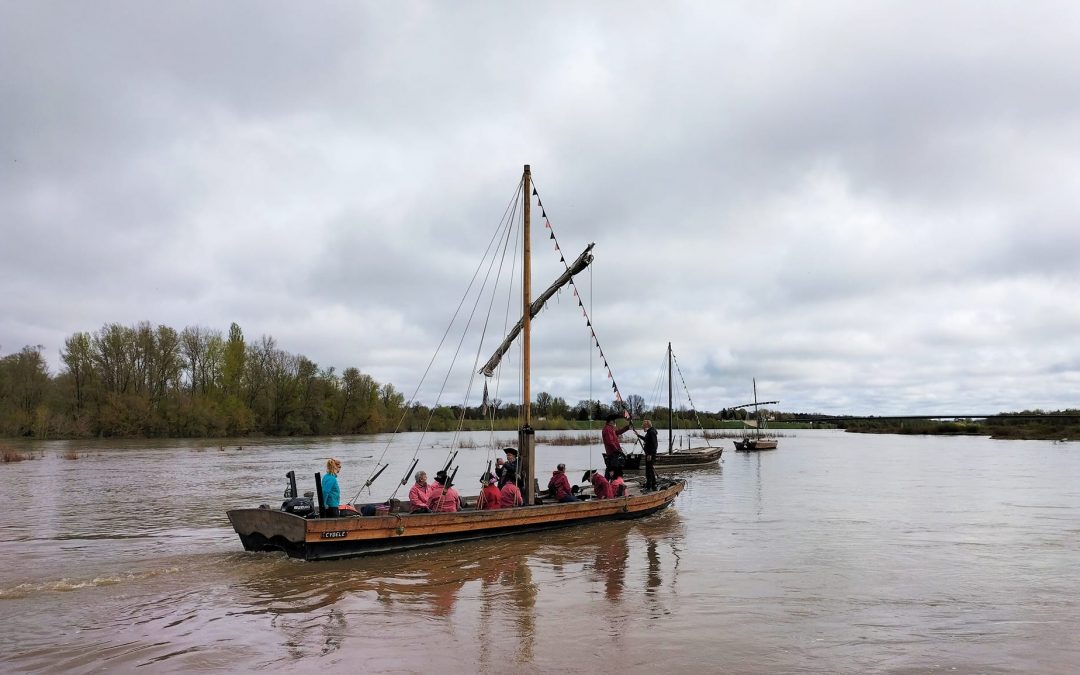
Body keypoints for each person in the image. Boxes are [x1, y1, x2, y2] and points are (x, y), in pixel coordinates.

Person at [601, 413, 633, 480]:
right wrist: (617, 450)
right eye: (614, 420)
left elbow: (618, 432)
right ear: (611, 421)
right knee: (613, 469)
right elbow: (610, 441)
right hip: (613, 452)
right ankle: (611, 484)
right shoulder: (607, 429)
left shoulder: (610, 428)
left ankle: (608, 483)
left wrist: (627, 427)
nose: (615, 422)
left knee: (611, 468)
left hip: (613, 452)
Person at [635, 419, 659, 491]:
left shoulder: (651, 432)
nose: (643, 428)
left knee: (648, 471)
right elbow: (646, 439)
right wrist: (638, 435)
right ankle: (653, 484)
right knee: (650, 470)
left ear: (647, 426)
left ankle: (649, 487)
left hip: (650, 454)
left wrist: (650, 454)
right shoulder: (649, 432)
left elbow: (654, 445)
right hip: (649, 454)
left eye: (643, 427)